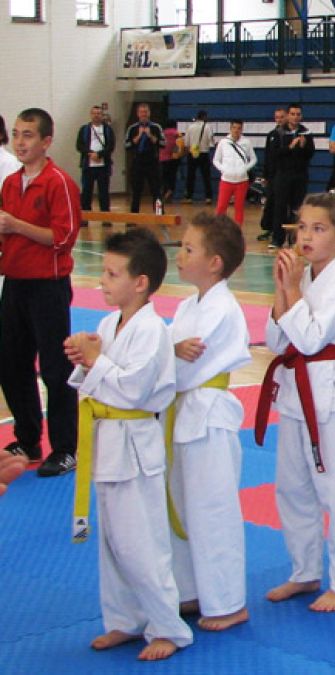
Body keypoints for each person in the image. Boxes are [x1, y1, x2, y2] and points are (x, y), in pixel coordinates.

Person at [64, 228, 193, 660]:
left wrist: (95, 361)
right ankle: (125, 619)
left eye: (111, 273)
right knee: (113, 544)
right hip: (107, 443)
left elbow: (134, 390)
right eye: (103, 272)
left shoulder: (153, 330)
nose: (101, 280)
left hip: (136, 449)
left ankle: (169, 628)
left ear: (140, 282)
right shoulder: (108, 324)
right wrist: (84, 362)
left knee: (144, 546)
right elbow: (98, 382)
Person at [257, 192, 335, 611]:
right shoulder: (303, 278)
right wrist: (281, 288)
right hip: (294, 392)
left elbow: (309, 338)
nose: (306, 236)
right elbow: (276, 341)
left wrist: (290, 289)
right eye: (302, 227)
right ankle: (304, 572)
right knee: (293, 489)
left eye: (318, 228)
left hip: (331, 396)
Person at [168, 212, 251, 632]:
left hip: (208, 416)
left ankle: (228, 601)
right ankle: (190, 590)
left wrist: (162, 354)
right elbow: (172, 354)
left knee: (212, 511)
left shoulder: (222, 308)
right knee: (182, 506)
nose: (179, 255)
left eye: (188, 249)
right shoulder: (189, 305)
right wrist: (167, 350)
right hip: (183, 412)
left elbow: (186, 363)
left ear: (215, 263)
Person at [0, 108, 82, 476]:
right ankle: (28, 437)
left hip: (48, 285)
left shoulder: (58, 182)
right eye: (17, 134)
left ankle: (65, 448)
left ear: (46, 141)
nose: (20, 142)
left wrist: (17, 225)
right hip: (15, 283)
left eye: (29, 135)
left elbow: (63, 239)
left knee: (55, 367)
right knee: (11, 363)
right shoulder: (9, 183)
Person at [267, 104, 315, 250]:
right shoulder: (278, 133)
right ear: (288, 115)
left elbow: (310, 154)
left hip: (300, 176)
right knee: (280, 207)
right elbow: (273, 154)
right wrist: (289, 147)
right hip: (283, 175)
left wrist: (304, 146)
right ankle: (277, 239)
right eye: (293, 114)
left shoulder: (306, 132)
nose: (295, 117)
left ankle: (295, 239)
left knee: (297, 208)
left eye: (298, 114)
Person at [212, 120, 257, 226]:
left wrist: (245, 168)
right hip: (226, 180)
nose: (236, 130)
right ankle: (218, 229)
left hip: (242, 180)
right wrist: (223, 169)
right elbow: (216, 160)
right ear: (230, 128)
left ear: (242, 129)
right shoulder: (223, 142)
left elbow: (254, 159)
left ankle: (238, 230)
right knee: (221, 207)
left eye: (239, 128)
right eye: (234, 128)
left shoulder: (246, 142)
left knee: (239, 207)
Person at [124, 103, 165, 214]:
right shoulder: (132, 128)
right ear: (138, 114)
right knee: (136, 191)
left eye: (146, 112)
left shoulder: (156, 127)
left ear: (149, 113)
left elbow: (163, 143)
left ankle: (159, 214)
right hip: (138, 161)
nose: (144, 114)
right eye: (141, 112)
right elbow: (127, 145)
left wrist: (151, 136)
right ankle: (134, 215)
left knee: (156, 190)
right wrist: (138, 136)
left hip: (153, 161)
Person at [76, 105, 115, 220]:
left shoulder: (108, 130)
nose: (96, 115)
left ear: (102, 115)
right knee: (86, 192)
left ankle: (106, 217)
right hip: (88, 166)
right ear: (91, 115)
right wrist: (90, 153)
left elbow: (111, 146)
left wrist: (100, 154)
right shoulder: (84, 129)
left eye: (99, 113)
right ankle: (85, 217)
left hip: (103, 166)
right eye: (94, 113)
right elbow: (79, 145)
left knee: (104, 193)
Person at [258, 108, 286, 242]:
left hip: (284, 175)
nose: (279, 120)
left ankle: (281, 231)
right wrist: (265, 175)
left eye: (281, 117)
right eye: (277, 117)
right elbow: (267, 156)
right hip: (272, 175)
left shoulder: (288, 135)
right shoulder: (271, 135)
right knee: (270, 203)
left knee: (282, 205)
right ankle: (268, 228)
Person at [183, 111, 214, 204]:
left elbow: (186, 142)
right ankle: (208, 197)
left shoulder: (190, 127)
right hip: (204, 153)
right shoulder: (207, 127)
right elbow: (211, 141)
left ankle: (188, 197)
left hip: (192, 153)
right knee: (206, 176)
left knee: (190, 176)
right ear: (204, 117)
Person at [161, 120, 184, 204]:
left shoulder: (162, 133)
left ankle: (165, 192)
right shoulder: (176, 133)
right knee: (172, 176)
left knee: (165, 176)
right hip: (174, 158)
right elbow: (179, 145)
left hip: (163, 158)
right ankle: (170, 190)